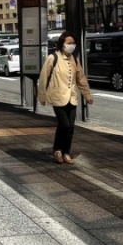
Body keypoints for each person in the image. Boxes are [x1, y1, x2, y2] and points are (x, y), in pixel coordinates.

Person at [38, 32, 93, 165]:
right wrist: (42, 96)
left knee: (71, 128)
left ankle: (66, 152)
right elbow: (43, 78)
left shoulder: (74, 59)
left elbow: (80, 78)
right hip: (57, 97)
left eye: (73, 43)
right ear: (62, 43)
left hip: (72, 98)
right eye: (68, 43)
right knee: (64, 125)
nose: (71, 45)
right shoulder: (53, 58)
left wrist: (87, 94)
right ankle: (57, 150)